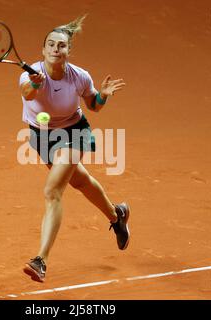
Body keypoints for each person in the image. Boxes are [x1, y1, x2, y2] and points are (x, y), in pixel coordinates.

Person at [19, 15, 130, 282]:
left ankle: (40, 260)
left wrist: (102, 95)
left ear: (69, 50)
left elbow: (94, 106)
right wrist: (35, 83)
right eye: (51, 45)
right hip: (42, 137)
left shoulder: (79, 76)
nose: (56, 50)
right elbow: (27, 92)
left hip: (74, 132)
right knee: (79, 181)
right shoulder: (30, 75)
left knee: (52, 190)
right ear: (43, 50)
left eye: (62, 46)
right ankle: (118, 215)